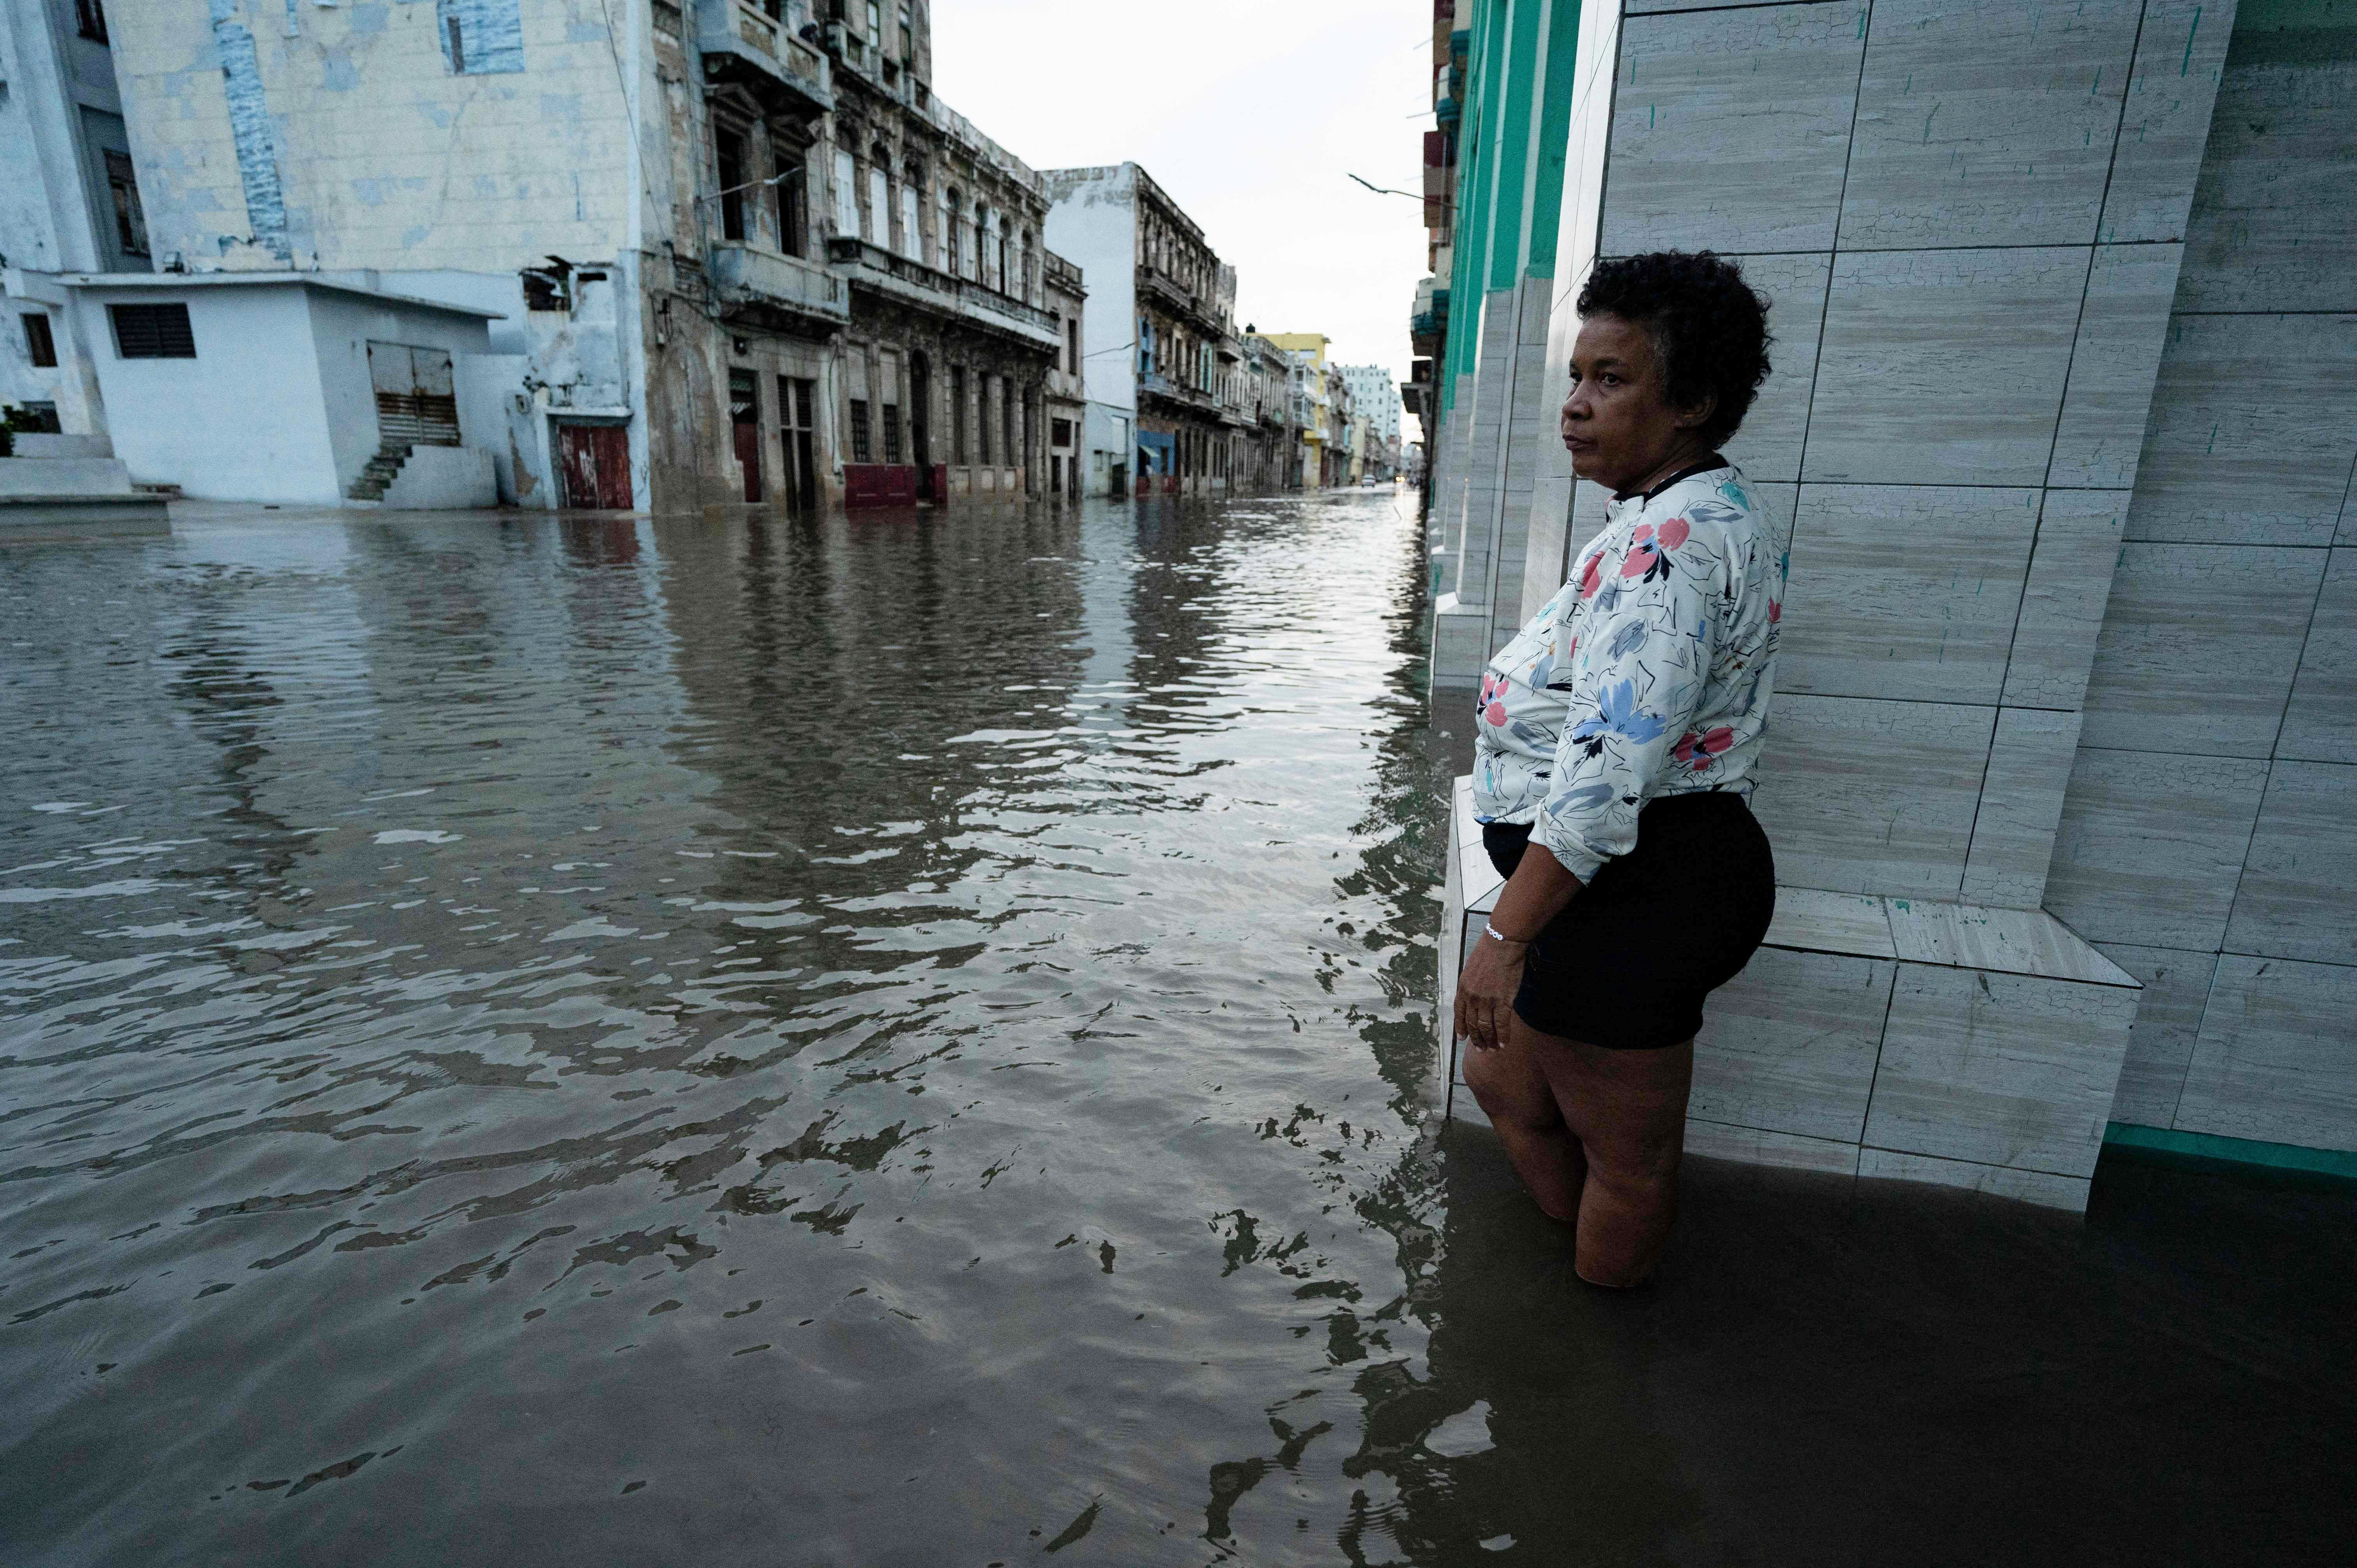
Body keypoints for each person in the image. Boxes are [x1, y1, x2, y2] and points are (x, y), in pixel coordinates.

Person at [1455, 251, 1782, 1288]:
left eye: (1612, 381)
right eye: (1576, 377)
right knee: (1504, 1081)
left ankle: (1596, 1369)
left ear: (1693, 402)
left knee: (1628, 1167)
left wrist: (1505, 936)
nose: (1576, 408)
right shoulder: (1652, 516)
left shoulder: (1677, 540)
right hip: (1606, 888)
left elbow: (1604, 776)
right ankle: (1572, 1285)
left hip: (1645, 889)